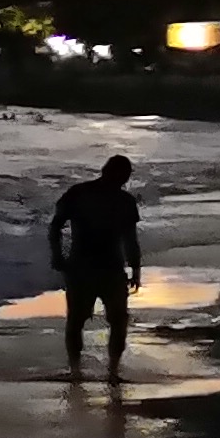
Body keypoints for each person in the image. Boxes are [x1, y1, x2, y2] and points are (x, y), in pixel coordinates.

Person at [49, 155, 141, 373]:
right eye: (122, 175)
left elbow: (130, 239)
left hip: (108, 268)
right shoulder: (80, 193)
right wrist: (57, 256)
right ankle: (77, 369)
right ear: (107, 171)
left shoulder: (124, 201)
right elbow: (55, 226)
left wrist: (136, 268)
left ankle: (111, 369)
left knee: (117, 320)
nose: (123, 179)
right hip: (83, 267)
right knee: (78, 321)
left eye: (126, 176)